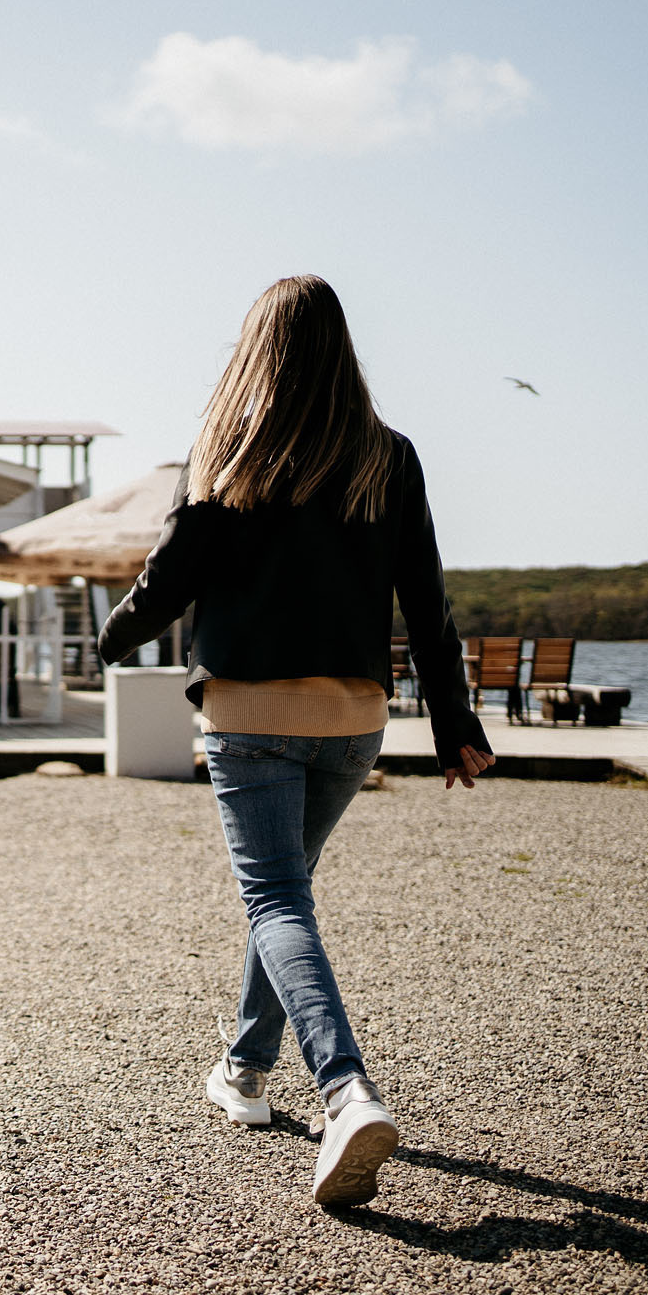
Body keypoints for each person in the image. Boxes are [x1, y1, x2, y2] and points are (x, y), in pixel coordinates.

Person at [96, 275, 494, 1208]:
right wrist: (454, 723)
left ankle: (346, 1089)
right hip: (352, 721)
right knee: (287, 898)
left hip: (247, 718)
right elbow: (426, 602)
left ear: (258, 352)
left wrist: (110, 639)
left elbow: (167, 578)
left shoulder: (229, 452)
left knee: (276, 898)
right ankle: (241, 1069)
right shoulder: (388, 458)